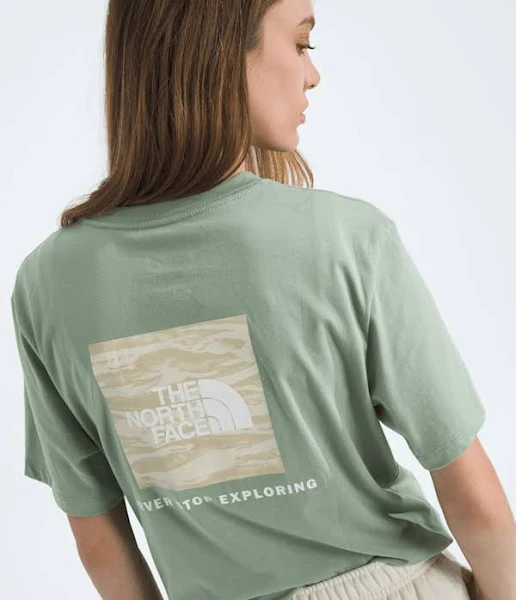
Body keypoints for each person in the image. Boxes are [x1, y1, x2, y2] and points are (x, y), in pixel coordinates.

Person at [10, 0, 516, 599]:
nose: (312, 74)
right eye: (302, 44)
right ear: (221, 52)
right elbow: (474, 501)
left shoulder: (47, 283)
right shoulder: (344, 239)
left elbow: (98, 537)